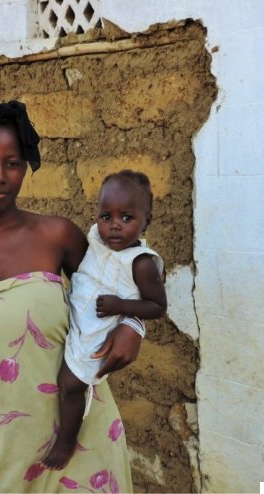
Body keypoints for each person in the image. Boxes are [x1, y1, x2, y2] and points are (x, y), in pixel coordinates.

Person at [0, 100, 139, 493]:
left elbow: (120, 284)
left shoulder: (56, 236)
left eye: (13, 163)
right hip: (9, 443)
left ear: (25, 168)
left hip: (85, 430)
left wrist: (133, 325)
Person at [42, 170, 167, 470]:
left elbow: (158, 306)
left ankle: (67, 440)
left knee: (70, 384)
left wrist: (122, 306)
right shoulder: (95, 237)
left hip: (97, 332)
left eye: (127, 218)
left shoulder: (141, 263)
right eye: (106, 216)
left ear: (146, 220)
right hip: (75, 316)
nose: (114, 226)